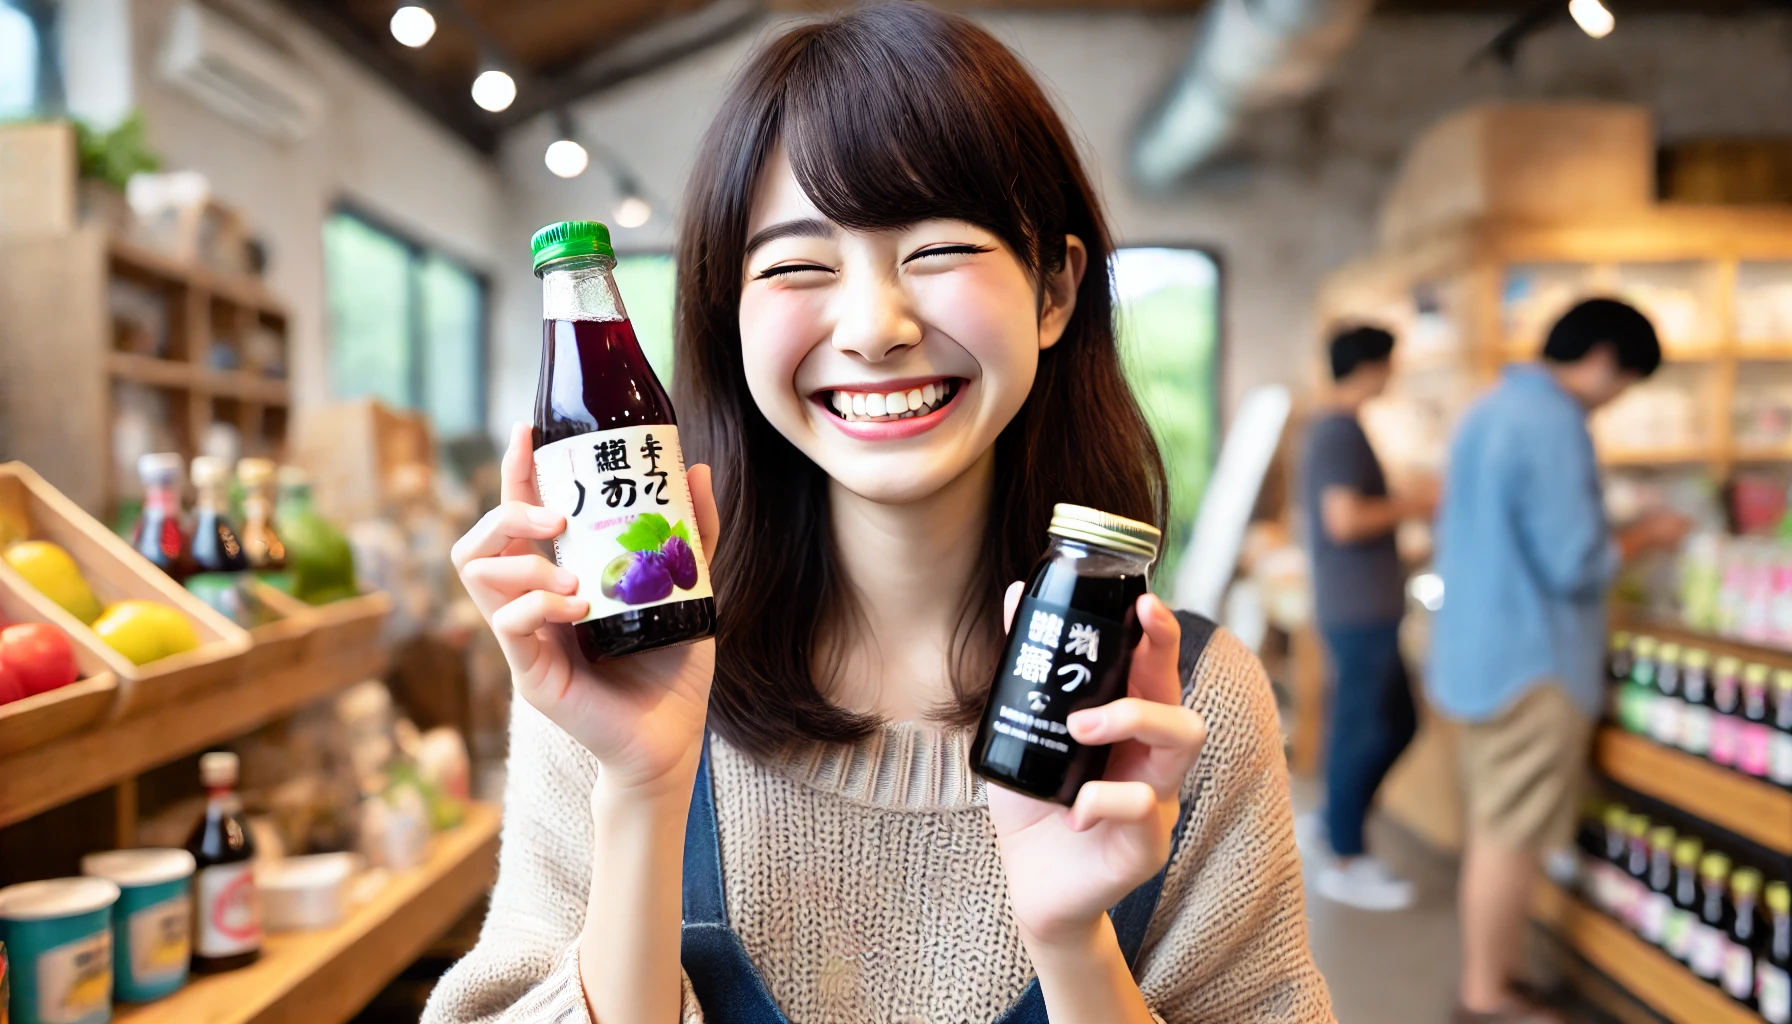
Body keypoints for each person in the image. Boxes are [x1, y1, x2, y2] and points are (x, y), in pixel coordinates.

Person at [424, 7, 1334, 1024]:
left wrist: (1078, 947)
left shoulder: (1181, 709)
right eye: (797, 266)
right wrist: (641, 789)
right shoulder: (612, 676)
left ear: (1053, 289)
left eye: (937, 248)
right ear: (729, 318)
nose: (874, 329)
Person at [1430, 298, 1690, 1024]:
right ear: (1604, 358)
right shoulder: (1553, 423)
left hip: (1476, 655)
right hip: (1531, 663)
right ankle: (1486, 995)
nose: (1617, 398)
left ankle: (1497, 977)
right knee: (1508, 840)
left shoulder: (1491, 407)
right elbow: (1577, 561)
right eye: (1627, 380)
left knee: (1493, 829)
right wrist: (1650, 533)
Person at [1300, 326, 1436, 912]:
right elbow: (1345, 521)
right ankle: (1346, 854)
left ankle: (1336, 822)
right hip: (1360, 609)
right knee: (1368, 728)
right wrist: (1418, 503)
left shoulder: (1337, 429)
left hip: (1363, 602)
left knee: (1392, 722)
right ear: (1375, 366)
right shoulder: (1338, 431)